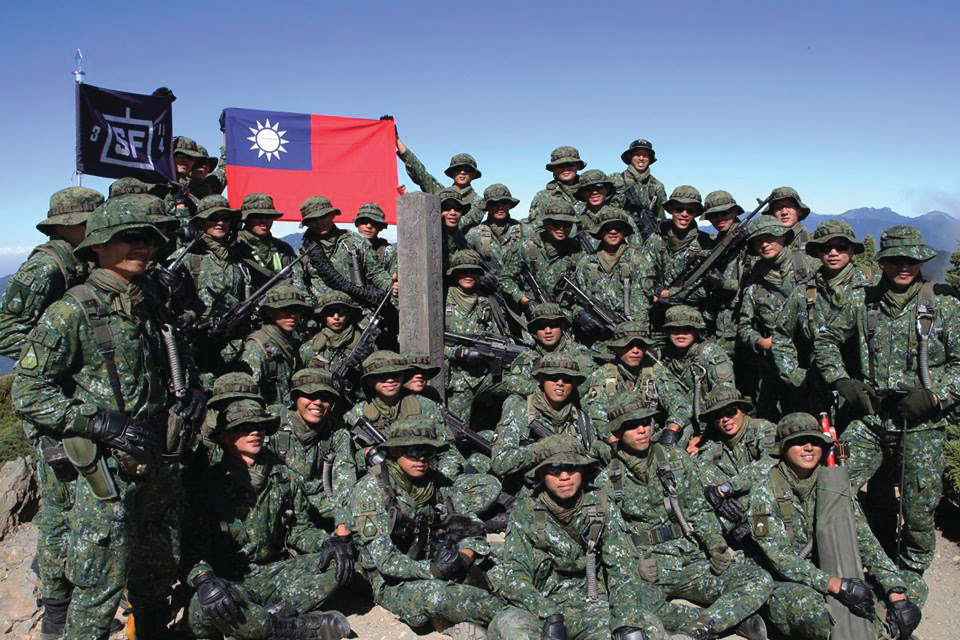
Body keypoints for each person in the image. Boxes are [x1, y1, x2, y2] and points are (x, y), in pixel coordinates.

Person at [13, 198, 198, 638]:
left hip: (152, 460)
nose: (142, 246)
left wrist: (191, 388)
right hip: (105, 473)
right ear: (97, 245)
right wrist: (95, 421)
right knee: (99, 584)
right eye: (128, 238)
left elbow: (173, 356)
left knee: (155, 571)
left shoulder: (149, 301)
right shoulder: (72, 311)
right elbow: (28, 392)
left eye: (148, 238)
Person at [814, 225, 960, 576]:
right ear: (882, 262)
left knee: (918, 512)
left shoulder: (943, 305)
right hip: (872, 419)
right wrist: (842, 381)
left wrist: (935, 396)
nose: (903, 266)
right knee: (833, 486)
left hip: (922, 424)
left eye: (910, 260)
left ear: (921, 261)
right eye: (895, 260)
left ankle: (909, 581)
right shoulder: (862, 301)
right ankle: (846, 562)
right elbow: (825, 340)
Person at [0, 186, 101, 638]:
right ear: (71, 225)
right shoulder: (47, 265)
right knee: (60, 505)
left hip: (70, 399)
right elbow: (7, 331)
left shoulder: (78, 260)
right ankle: (57, 605)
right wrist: (57, 361)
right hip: (51, 403)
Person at [601, 393, 773, 640]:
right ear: (617, 432)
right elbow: (613, 543)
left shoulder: (677, 460)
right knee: (627, 606)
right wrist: (634, 567)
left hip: (692, 560)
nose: (641, 430)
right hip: (651, 570)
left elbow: (697, 508)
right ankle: (729, 620)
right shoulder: (607, 481)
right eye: (631, 425)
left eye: (645, 422)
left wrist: (715, 546)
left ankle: (698, 629)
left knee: (758, 579)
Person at [746, 413, 925, 640]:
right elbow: (780, 559)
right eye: (799, 442)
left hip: (836, 571)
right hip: (788, 580)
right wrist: (835, 585)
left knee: (914, 585)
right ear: (782, 448)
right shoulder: (764, 492)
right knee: (813, 610)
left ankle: (881, 629)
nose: (809, 448)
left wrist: (895, 592)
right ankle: (880, 631)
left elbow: (865, 540)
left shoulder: (834, 484)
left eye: (815, 441)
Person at [184, 399, 352, 640]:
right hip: (231, 582)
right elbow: (194, 550)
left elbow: (299, 529)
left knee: (339, 562)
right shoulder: (207, 486)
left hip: (276, 574)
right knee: (203, 607)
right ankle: (297, 629)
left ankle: (258, 624)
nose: (255, 433)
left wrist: (326, 542)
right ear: (224, 437)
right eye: (244, 428)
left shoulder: (283, 478)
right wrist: (204, 579)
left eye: (260, 427)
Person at [349, 416, 503, 638]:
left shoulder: (436, 481)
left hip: (437, 556)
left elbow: (471, 525)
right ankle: (502, 620)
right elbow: (385, 561)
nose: (421, 459)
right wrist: (434, 571)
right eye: (413, 451)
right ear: (394, 451)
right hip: (391, 580)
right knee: (438, 596)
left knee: (502, 569)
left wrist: (464, 556)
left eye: (428, 452)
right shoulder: (370, 491)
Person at [487, 435, 611, 640]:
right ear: (541, 474)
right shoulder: (525, 513)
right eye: (554, 469)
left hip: (592, 607)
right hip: (539, 605)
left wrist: (625, 619)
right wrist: (549, 613)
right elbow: (515, 576)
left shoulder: (602, 505)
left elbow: (621, 569)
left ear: (583, 470)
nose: (564, 477)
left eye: (572, 467)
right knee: (510, 624)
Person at [771, 220, 868, 415]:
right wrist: (794, 374)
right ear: (817, 251)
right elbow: (781, 335)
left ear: (851, 250)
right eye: (825, 247)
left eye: (841, 247)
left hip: (859, 390)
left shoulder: (869, 291)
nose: (833, 253)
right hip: (814, 391)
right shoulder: (803, 293)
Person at [737, 216, 818, 418]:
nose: (764, 244)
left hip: (809, 360)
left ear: (783, 237)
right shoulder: (755, 278)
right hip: (772, 366)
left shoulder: (810, 267)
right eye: (758, 241)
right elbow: (744, 326)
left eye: (770, 238)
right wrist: (761, 342)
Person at [268, 367, 357, 532]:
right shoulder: (272, 424)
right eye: (310, 395)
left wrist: (343, 524)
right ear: (295, 398)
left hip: (321, 504)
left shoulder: (337, 433)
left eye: (325, 398)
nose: (317, 402)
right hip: (280, 502)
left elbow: (345, 482)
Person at [492, 353, 606, 481]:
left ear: (574, 383)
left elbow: (591, 452)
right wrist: (541, 449)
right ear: (541, 379)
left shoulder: (580, 417)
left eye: (567, 379)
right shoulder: (520, 408)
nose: (560, 383)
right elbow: (500, 463)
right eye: (553, 377)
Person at [172, 194, 249, 376]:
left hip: (234, 344)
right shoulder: (187, 256)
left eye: (225, 218)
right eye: (213, 218)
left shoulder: (237, 257)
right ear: (200, 222)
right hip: (198, 346)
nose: (220, 223)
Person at [694, 387, 777, 539]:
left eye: (730, 412)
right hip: (736, 505)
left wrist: (726, 489)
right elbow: (701, 469)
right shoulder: (713, 441)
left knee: (763, 536)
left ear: (743, 411)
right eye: (718, 416)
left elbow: (769, 465)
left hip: (767, 499)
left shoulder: (764, 429)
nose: (725, 419)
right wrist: (715, 497)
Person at [655, 305, 736, 448]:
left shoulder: (711, 354)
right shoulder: (662, 356)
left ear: (697, 331)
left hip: (713, 427)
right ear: (667, 332)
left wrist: (704, 437)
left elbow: (725, 400)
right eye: (675, 329)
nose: (681, 334)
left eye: (687, 328)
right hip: (680, 420)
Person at [569, 208, 655, 342]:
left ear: (625, 231)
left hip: (630, 336)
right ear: (599, 230)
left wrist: (632, 337)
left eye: (618, 227)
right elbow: (575, 299)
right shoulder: (586, 263)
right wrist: (579, 313)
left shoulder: (638, 261)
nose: (613, 232)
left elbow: (641, 305)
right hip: (595, 341)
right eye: (607, 227)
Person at [298, 195, 395, 306]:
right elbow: (300, 286)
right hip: (321, 311)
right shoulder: (304, 252)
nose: (320, 223)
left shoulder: (355, 241)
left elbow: (375, 273)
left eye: (323, 217)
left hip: (356, 310)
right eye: (313, 220)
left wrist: (391, 286)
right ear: (307, 223)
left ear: (332, 215)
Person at [444, 249, 506, 422]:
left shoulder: (485, 302)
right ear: (454, 274)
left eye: (473, 271)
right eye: (463, 271)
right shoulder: (442, 300)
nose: (468, 276)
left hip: (484, 375)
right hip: (457, 380)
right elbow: (429, 342)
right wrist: (457, 353)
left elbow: (496, 336)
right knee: (456, 428)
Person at [500, 199, 584, 318]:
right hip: (535, 313)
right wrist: (525, 301)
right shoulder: (526, 246)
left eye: (567, 225)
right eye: (556, 224)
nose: (561, 228)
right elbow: (505, 279)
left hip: (565, 314)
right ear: (545, 223)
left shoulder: (576, 249)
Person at [644, 186, 714, 327]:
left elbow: (707, 288)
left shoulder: (707, 243)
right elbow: (644, 275)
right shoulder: (655, 240)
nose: (684, 214)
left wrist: (671, 293)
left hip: (694, 320)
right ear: (670, 210)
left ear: (696, 213)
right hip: (659, 316)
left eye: (690, 210)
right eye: (679, 209)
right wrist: (656, 292)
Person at [582, 321, 676, 426]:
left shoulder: (654, 371)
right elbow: (594, 413)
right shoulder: (605, 374)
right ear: (617, 348)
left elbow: (679, 405)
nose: (635, 351)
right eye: (628, 345)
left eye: (640, 345)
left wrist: (671, 429)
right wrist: (611, 435)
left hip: (649, 430)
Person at [494, 303, 596, 398]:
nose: (548, 331)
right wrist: (544, 391)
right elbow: (512, 382)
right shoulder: (526, 357)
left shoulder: (578, 352)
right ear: (534, 331)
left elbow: (584, 385)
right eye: (541, 326)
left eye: (553, 325)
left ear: (562, 327)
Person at [240, 284, 311, 408]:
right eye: (285, 309)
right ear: (270, 312)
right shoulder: (257, 347)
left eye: (297, 310)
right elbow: (248, 400)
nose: (292, 315)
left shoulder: (295, 342)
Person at [395, 136, 485, 229]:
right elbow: (420, 173)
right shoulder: (441, 193)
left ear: (473, 174)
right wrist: (397, 141)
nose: (462, 172)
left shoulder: (478, 202)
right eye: (458, 169)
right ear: (452, 173)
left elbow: (463, 223)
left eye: (467, 169)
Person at [700, 191, 749, 355]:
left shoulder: (749, 242)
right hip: (720, 322)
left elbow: (756, 286)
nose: (719, 219)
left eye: (725, 213)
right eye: (713, 215)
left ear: (735, 212)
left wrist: (725, 283)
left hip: (743, 322)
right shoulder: (717, 243)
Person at [235, 192, 302, 289]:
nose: (264, 221)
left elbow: (299, 285)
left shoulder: (284, 249)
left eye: (268, 216)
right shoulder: (233, 247)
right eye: (258, 216)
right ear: (246, 219)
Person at [299, 291, 364, 370]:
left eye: (341, 311)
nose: (336, 317)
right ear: (323, 315)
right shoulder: (309, 349)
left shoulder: (362, 346)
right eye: (330, 312)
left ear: (348, 314)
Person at [610, 138, 668, 223]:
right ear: (630, 157)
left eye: (645, 155)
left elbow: (661, 217)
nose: (641, 158)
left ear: (650, 158)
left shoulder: (657, 186)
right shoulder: (615, 179)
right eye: (637, 155)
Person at [465, 183, 524, 267]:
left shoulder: (524, 230)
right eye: (494, 203)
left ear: (509, 204)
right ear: (487, 207)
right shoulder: (474, 234)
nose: (500, 207)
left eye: (504, 202)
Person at [529, 146, 588, 224]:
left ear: (577, 166)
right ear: (553, 169)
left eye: (570, 165)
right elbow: (536, 226)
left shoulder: (591, 190)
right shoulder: (542, 197)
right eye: (560, 166)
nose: (565, 169)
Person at [762, 186, 812, 253]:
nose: (784, 212)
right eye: (778, 207)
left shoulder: (811, 241)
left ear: (799, 211)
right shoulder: (763, 242)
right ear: (772, 214)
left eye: (789, 206)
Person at [354, 202, 396, 274]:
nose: (369, 226)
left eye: (374, 223)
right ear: (357, 224)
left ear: (381, 227)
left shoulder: (389, 252)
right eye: (364, 221)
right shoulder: (345, 247)